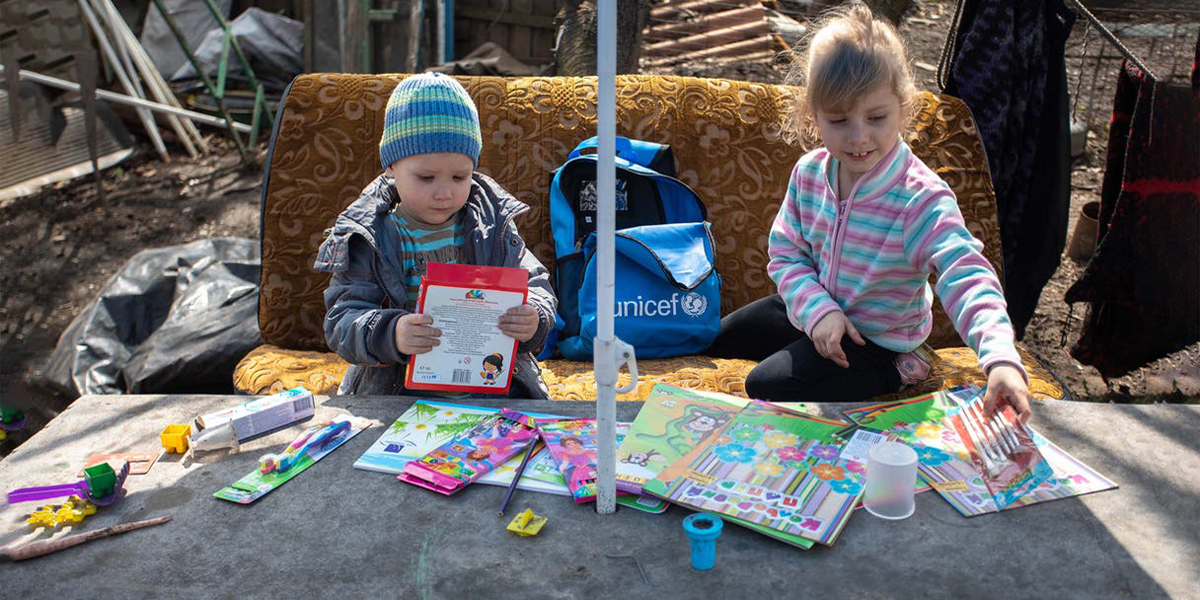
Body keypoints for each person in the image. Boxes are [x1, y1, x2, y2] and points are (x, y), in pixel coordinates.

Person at [706, 3, 1032, 421]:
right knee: (722, 338)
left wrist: (1001, 359)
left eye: (876, 117)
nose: (859, 138)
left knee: (766, 385)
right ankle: (816, 336)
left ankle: (897, 372)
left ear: (903, 105)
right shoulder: (809, 173)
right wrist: (819, 311)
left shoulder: (921, 197)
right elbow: (786, 254)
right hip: (819, 307)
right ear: (813, 115)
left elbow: (965, 273)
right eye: (839, 120)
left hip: (877, 337)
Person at [316, 73, 556, 398]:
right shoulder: (370, 235)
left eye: (460, 176)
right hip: (397, 394)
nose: (444, 192)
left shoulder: (493, 224)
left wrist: (534, 317)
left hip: (493, 386)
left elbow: (535, 284)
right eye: (426, 177)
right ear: (390, 167)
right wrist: (391, 333)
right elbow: (342, 321)